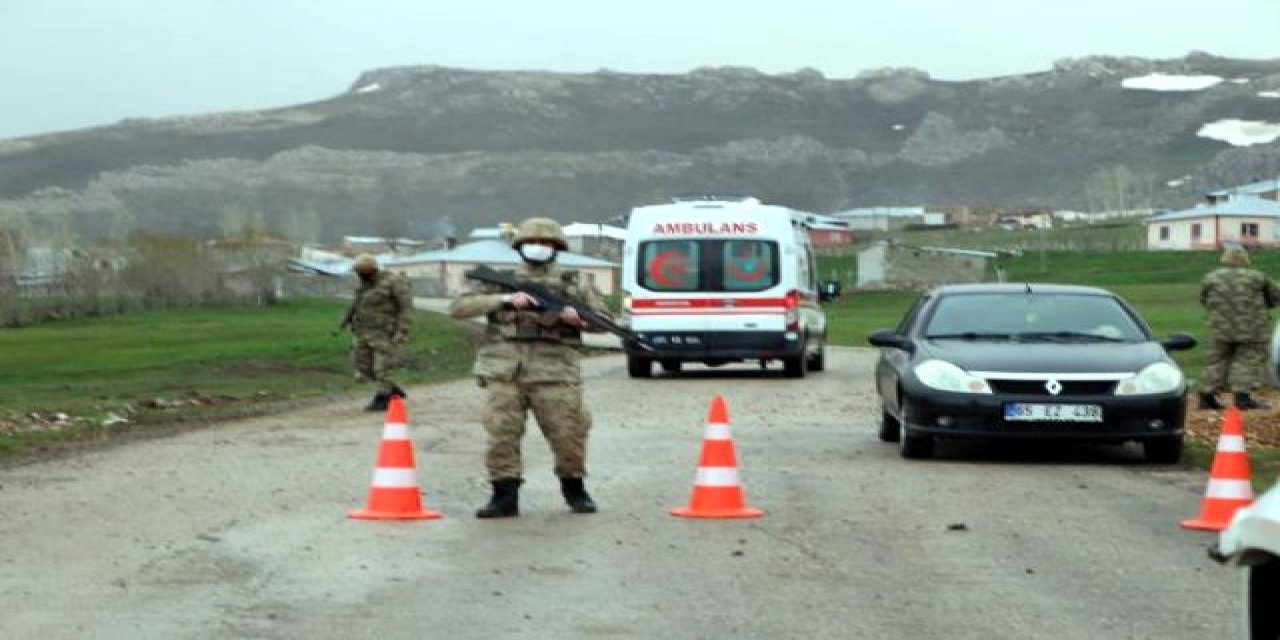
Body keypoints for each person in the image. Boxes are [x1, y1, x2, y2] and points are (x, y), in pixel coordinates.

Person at [448, 217, 607, 518]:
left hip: (555, 371)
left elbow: (603, 321)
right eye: (532, 243)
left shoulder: (574, 282)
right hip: (504, 370)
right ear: (520, 247)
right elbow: (459, 308)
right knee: (501, 434)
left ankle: (575, 489)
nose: (539, 248)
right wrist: (505, 299)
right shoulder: (497, 279)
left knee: (569, 432)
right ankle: (504, 494)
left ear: (557, 248)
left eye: (547, 244)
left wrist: (578, 319)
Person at [1198, 246, 1280, 411]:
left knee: (1216, 361)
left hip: (1220, 328)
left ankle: (1207, 397)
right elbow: (1275, 296)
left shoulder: (1211, 278)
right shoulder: (1257, 277)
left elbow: (1204, 299)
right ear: (1245, 260)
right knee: (1248, 361)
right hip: (1252, 328)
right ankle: (1242, 398)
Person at [340, 254, 413, 412]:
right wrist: (346, 319)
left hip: (385, 333)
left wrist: (402, 330)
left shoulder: (393, 282)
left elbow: (406, 308)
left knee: (382, 368)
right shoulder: (364, 286)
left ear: (371, 270)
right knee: (361, 364)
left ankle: (382, 398)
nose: (359, 275)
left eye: (361, 271)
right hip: (363, 332)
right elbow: (356, 304)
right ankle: (391, 389)